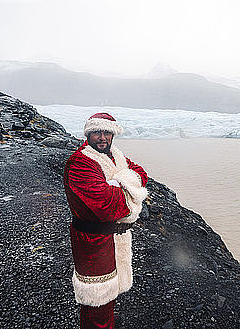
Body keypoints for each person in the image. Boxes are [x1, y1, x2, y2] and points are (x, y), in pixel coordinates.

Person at [64, 112, 148, 329]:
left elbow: (141, 173)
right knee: (96, 299)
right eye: (96, 132)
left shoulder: (115, 155)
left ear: (113, 134)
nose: (102, 137)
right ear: (88, 134)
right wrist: (128, 191)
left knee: (109, 296)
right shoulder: (80, 163)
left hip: (113, 237)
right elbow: (106, 205)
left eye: (106, 132)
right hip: (92, 241)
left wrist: (116, 182)